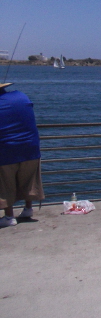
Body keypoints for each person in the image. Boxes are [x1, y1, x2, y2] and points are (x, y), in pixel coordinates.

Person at [0, 82, 44, 227]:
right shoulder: (21, 97)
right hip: (30, 148)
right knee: (28, 180)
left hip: (6, 151)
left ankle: (9, 217)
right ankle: (28, 209)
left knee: (6, 184)